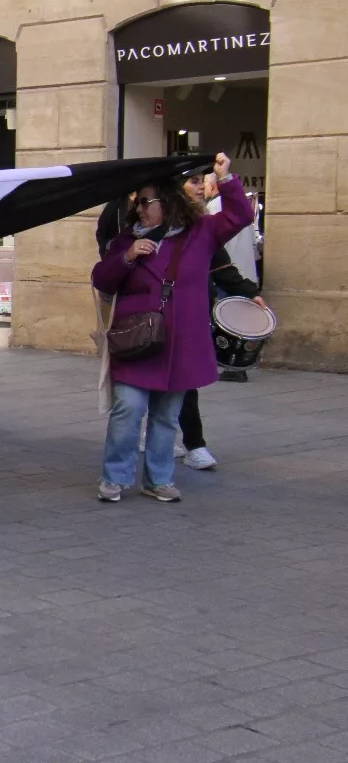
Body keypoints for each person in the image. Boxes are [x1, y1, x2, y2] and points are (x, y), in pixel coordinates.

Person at [92, 152, 254, 503]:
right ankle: (115, 477)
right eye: (139, 201)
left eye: (147, 201)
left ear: (167, 202)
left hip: (182, 343)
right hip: (138, 342)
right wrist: (127, 256)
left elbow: (241, 215)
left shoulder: (201, 233)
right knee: (129, 409)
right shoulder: (127, 240)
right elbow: (101, 279)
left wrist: (225, 179)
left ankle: (158, 479)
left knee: (166, 416)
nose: (140, 208)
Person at [174, 171, 266, 470]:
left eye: (203, 180)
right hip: (155, 317)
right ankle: (155, 434)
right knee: (149, 384)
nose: (201, 187)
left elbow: (221, 264)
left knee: (185, 381)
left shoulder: (202, 227)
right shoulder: (150, 226)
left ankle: (194, 444)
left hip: (190, 317)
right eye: (193, 182)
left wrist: (249, 292)